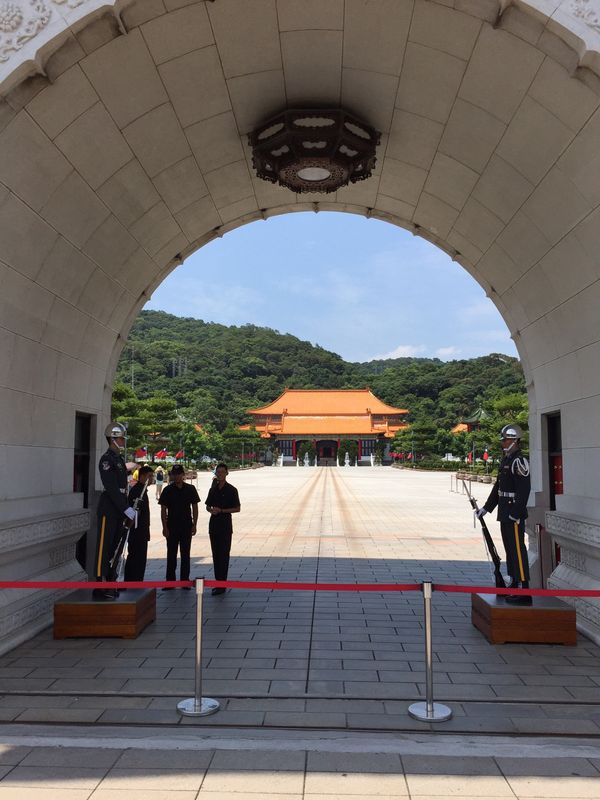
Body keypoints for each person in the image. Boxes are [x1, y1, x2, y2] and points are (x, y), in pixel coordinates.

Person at [476, 424, 531, 604]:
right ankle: (514, 582)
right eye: (503, 440)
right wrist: (486, 508)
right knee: (509, 549)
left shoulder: (519, 461)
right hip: (505, 511)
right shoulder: (506, 460)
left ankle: (525, 589)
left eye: (506, 440)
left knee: (518, 549)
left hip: (513, 512)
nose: (503, 443)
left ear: (515, 441)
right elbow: (498, 488)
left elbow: (524, 491)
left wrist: (516, 514)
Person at [93, 422, 137, 600]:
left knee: (115, 546)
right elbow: (111, 488)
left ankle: (111, 580)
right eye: (120, 438)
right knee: (104, 547)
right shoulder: (107, 459)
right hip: (109, 508)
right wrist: (125, 508)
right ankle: (100, 584)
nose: (123, 441)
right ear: (113, 439)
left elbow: (122, 486)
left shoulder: (118, 459)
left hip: (118, 508)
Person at [158, 464, 200, 589]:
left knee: (185, 554)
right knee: (171, 554)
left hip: (186, 526)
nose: (176, 477)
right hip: (172, 526)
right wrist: (164, 527)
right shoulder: (167, 490)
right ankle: (170, 582)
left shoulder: (190, 489)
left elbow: (195, 507)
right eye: (174, 474)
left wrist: (195, 524)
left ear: (183, 475)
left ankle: (184, 581)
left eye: (179, 474)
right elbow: (163, 509)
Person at [205, 463, 241, 596]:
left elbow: (237, 508)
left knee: (224, 555)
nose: (220, 474)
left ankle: (222, 584)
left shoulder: (232, 490)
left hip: (225, 525)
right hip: (214, 525)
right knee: (216, 555)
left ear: (227, 473)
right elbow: (207, 506)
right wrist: (211, 510)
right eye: (218, 472)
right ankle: (217, 582)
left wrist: (222, 510)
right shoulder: (212, 489)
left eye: (222, 472)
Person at [124, 465, 153, 582]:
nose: (152, 479)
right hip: (136, 531)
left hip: (142, 530)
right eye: (149, 476)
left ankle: (137, 580)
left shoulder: (142, 490)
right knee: (135, 558)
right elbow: (133, 512)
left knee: (140, 558)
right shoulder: (137, 491)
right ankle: (133, 581)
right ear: (142, 477)